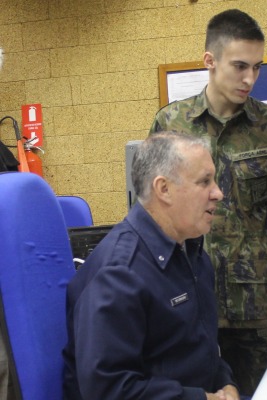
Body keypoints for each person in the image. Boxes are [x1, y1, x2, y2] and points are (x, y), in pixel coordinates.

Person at [149, 9, 267, 395]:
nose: (250, 79)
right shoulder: (171, 124)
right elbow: (152, 217)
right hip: (186, 308)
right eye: (240, 66)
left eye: (257, 68)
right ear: (209, 61)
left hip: (251, 311)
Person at [62, 131, 239, 400]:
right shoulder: (119, 273)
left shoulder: (193, 254)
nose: (218, 193)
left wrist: (227, 385)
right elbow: (108, 390)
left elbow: (203, 348)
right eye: (205, 182)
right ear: (164, 189)